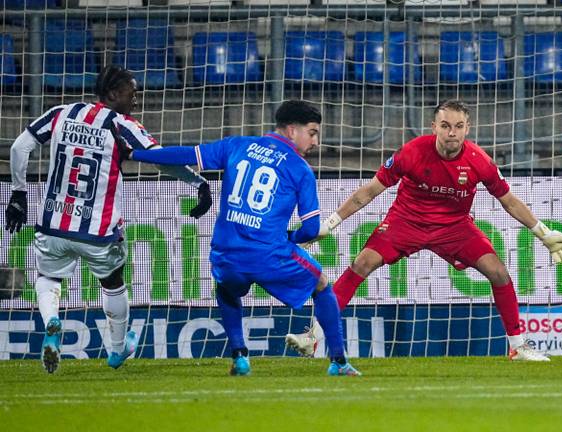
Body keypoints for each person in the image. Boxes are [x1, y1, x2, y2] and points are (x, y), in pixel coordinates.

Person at [286, 100, 562, 361]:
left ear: (468, 128)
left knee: (499, 272)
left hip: (454, 227)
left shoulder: (480, 161)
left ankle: (518, 346)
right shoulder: (411, 152)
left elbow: (509, 201)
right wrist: (331, 223)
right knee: (362, 263)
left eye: (459, 126)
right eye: (445, 126)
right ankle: (314, 336)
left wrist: (543, 233)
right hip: (406, 222)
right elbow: (369, 191)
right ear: (434, 127)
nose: (452, 133)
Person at [119, 100, 361, 376]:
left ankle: (240, 356)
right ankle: (339, 362)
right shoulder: (299, 168)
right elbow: (310, 229)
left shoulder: (236, 145)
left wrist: (135, 155)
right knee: (321, 284)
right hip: (269, 254)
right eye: (313, 132)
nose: (316, 141)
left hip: (227, 252)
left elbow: (183, 155)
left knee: (226, 289)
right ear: (292, 130)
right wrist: (289, 237)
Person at [4, 65, 212, 374]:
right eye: (132, 94)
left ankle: (51, 323)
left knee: (49, 279)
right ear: (113, 94)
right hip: (98, 232)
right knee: (113, 285)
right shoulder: (123, 126)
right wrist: (199, 183)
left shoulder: (62, 112)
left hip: (54, 225)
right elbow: (162, 160)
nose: (136, 100)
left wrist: (18, 193)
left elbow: (20, 147)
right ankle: (117, 350)